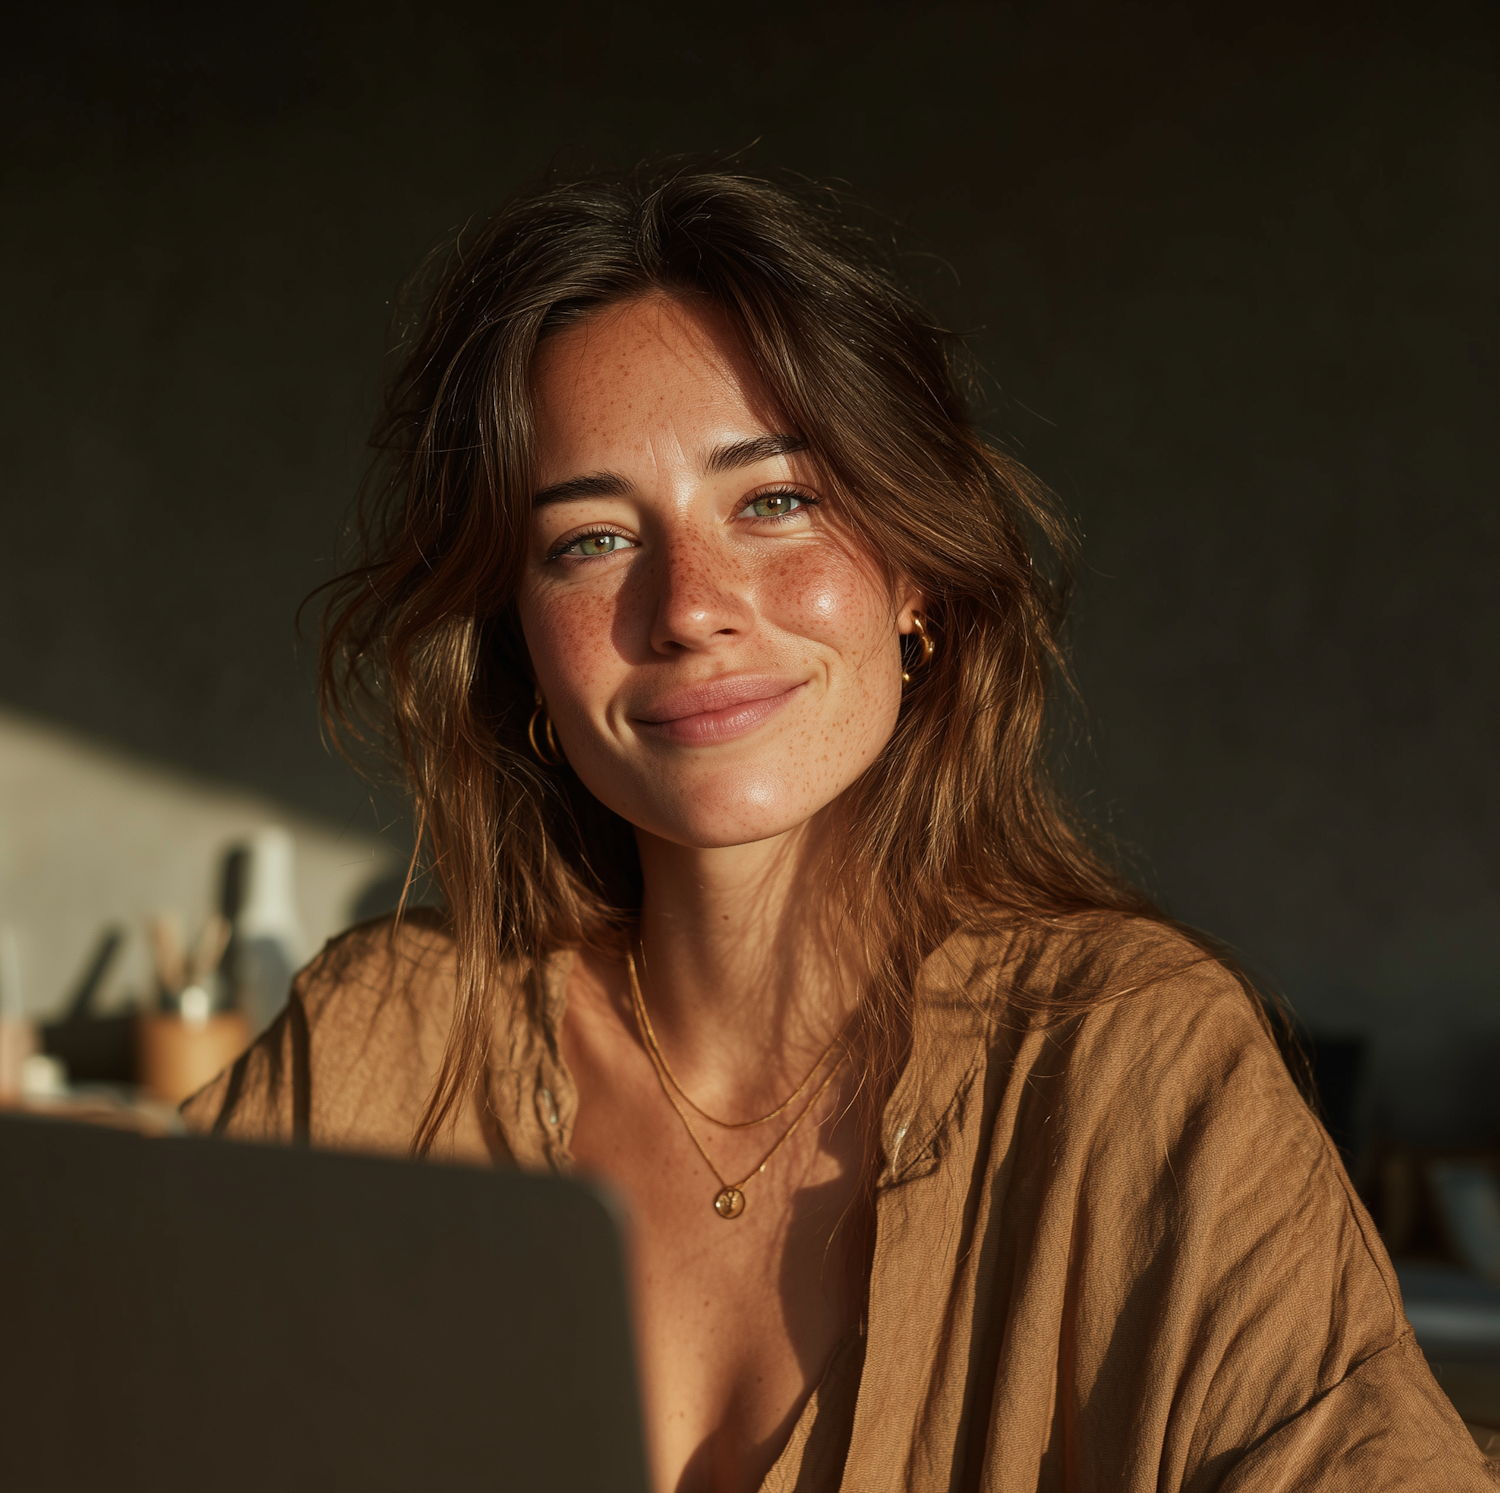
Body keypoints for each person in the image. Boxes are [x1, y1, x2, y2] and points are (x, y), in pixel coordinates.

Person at [183, 159, 1495, 1492]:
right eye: (590, 541)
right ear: (521, 645)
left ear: (915, 572)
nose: (690, 607)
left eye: (773, 502)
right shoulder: (383, 1048)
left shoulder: (1130, 1063)